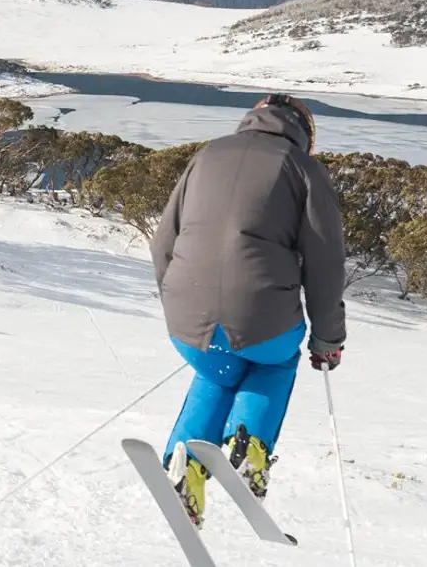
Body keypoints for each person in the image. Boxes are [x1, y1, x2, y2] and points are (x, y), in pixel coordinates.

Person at [149, 93, 347, 528]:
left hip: (186, 314)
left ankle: (185, 464)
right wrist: (327, 338)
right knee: (274, 365)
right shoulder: (303, 169)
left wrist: (179, 303)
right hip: (262, 316)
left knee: (217, 373)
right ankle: (250, 444)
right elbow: (325, 260)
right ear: (304, 133)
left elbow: (164, 239)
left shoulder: (208, 154)